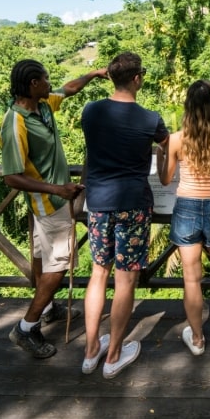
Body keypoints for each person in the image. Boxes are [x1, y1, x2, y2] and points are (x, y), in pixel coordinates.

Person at [0, 59, 108, 359]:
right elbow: (11, 176)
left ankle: (47, 308)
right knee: (58, 265)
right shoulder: (15, 122)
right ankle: (25, 327)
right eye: (46, 79)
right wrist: (57, 189)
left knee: (40, 256)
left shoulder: (43, 104)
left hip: (51, 202)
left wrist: (94, 74)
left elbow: (69, 89)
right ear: (33, 84)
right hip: (49, 203)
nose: (51, 83)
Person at [80, 52, 169, 378]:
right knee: (125, 278)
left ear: (110, 77)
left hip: (99, 203)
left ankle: (91, 352)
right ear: (137, 79)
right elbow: (165, 143)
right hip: (133, 203)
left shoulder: (91, 111)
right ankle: (113, 355)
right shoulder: (151, 119)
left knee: (98, 274)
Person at [156, 79, 210, 356]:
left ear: (188, 106)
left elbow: (166, 180)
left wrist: (160, 154)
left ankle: (199, 339)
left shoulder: (177, 139)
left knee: (191, 278)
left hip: (187, 207)